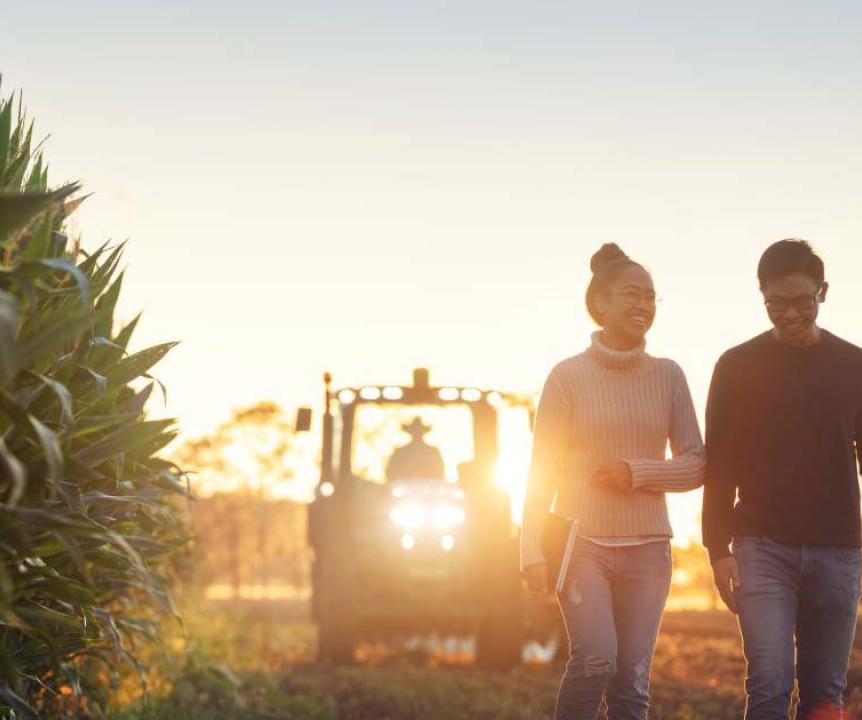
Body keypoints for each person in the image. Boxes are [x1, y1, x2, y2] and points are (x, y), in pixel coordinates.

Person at [521, 243, 705, 720]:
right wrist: (531, 549)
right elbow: (540, 469)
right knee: (596, 658)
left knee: (632, 683)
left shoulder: (668, 376)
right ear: (600, 303)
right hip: (582, 545)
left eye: (650, 297)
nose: (643, 305)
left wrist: (636, 472)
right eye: (631, 294)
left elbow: (696, 463)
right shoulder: (567, 377)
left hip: (649, 550)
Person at [702, 239, 862, 720]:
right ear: (762, 297)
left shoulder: (854, 365)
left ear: (824, 292)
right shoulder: (735, 366)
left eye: (802, 301)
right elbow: (720, 464)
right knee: (769, 682)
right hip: (760, 546)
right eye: (777, 303)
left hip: (839, 549)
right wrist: (717, 549)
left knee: (825, 691)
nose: (790, 314)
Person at [385, 417, 445, 482]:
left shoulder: (433, 451)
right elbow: (391, 471)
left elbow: (440, 471)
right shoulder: (401, 451)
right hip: (405, 484)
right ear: (410, 432)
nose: (417, 433)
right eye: (415, 431)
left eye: (419, 431)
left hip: (428, 485)